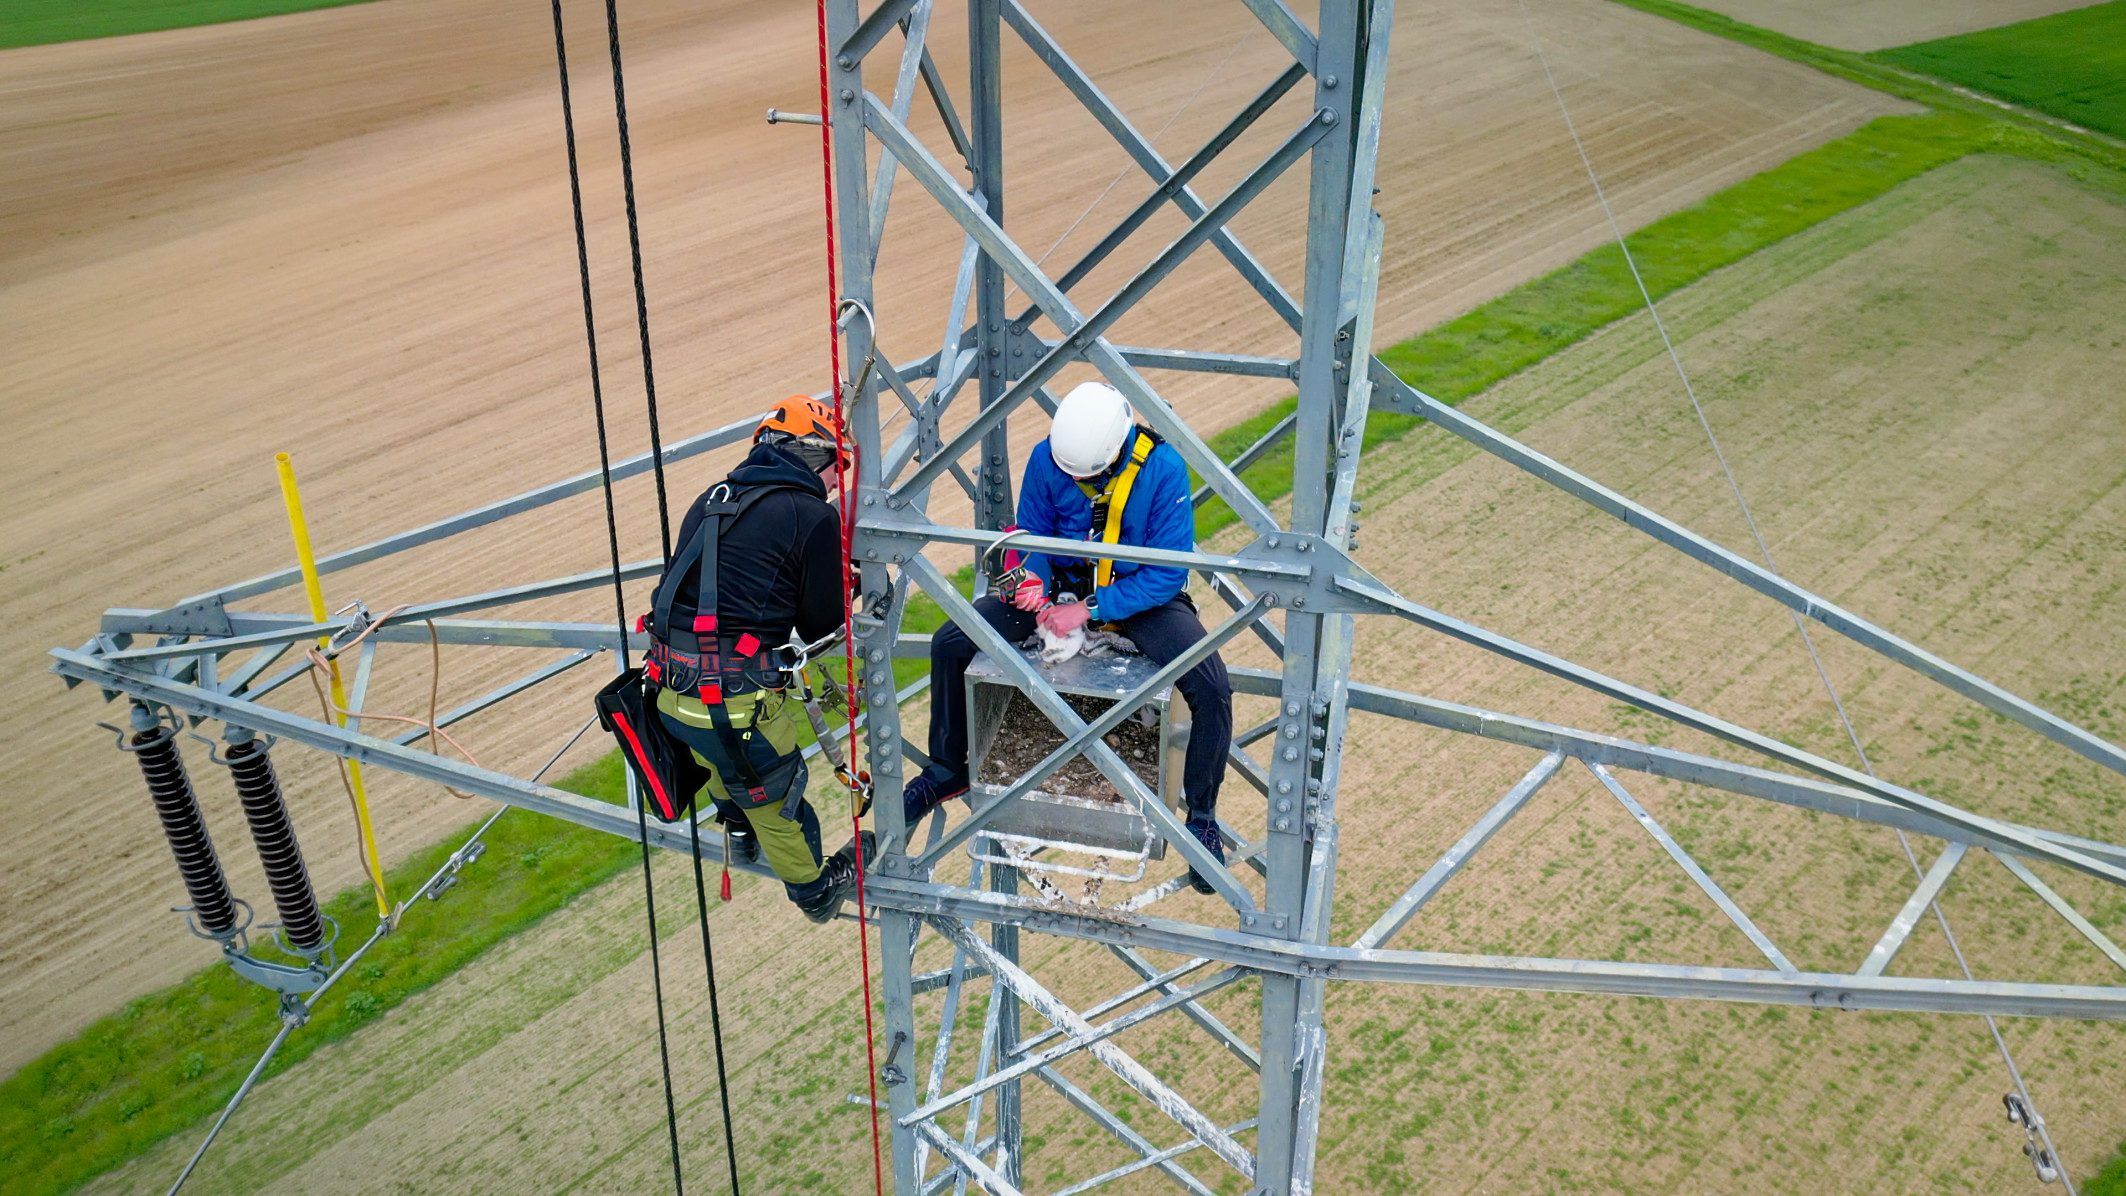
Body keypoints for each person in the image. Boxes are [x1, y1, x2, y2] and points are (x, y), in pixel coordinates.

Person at [905, 381, 1235, 892]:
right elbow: (1029, 535)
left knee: (1210, 687)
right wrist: (1031, 579)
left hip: (1137, 598)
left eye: (1089, 477)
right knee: (950, 643)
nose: (1077, 482)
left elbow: (1167, 574)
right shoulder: (1048, 459)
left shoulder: (1163, 470)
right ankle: (949, 768)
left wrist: (1090, 610)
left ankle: (1203, 821)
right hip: (1060, 591)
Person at [642, 396, 870, 922]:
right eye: (839, 466)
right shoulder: (812, 516)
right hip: (730, 708)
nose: (838, 482)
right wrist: (847, 581)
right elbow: (822, 626)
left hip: (670, 694)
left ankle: (737, 826)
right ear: (814, 455)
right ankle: (814, 889)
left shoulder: (713, 498)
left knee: (721, 761)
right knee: (775, 791)